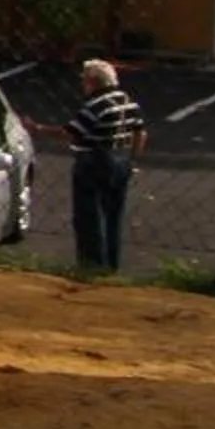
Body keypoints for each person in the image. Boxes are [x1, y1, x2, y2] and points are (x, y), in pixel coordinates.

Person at [65, 58, 148, 272]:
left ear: (93, 82)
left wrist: (38, 128)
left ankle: (92, 265)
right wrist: (133, 159)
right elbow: (140, 132)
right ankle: (111, 265)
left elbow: (72, 132)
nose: (83, 84)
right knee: (113, 216)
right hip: (120, 159)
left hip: (94, 161)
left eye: (84, 80)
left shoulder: (94, 105)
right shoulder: (127, 100)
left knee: (90, 216)